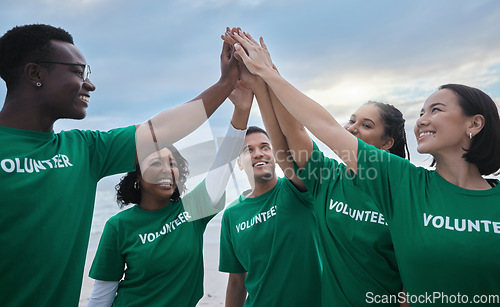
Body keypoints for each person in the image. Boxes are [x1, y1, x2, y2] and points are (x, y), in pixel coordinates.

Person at [232, 30, 500, 305]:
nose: (421, 121)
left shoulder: (399, 183)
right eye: (421, 113)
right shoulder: (400, 183)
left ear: (475, 123)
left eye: (436, 110)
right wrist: (264, 76)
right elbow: (301, 135)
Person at [0, 24, 238, 306]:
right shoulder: (119, 225)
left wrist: (227, 83)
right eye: (78, 72)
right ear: (35, 73)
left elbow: (162, 129)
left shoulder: (85, 149)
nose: (89, 84)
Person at [223, 28, 409, 306]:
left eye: (366, 125)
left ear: (386, 143)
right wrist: (262, 79)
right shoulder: (330, 179)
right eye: (352, 120)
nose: (352, 129)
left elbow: (417, 274)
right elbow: (291, 136)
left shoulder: (404, 190)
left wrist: (267, 74)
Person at [87, 83, 252, 306]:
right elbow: (102, 293)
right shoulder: (118, 226)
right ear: (137, 178)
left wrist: (241, 110)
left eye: (172, 163)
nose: (167, 169)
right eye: (155, 162)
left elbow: (224, 163)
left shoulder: (193, 210)